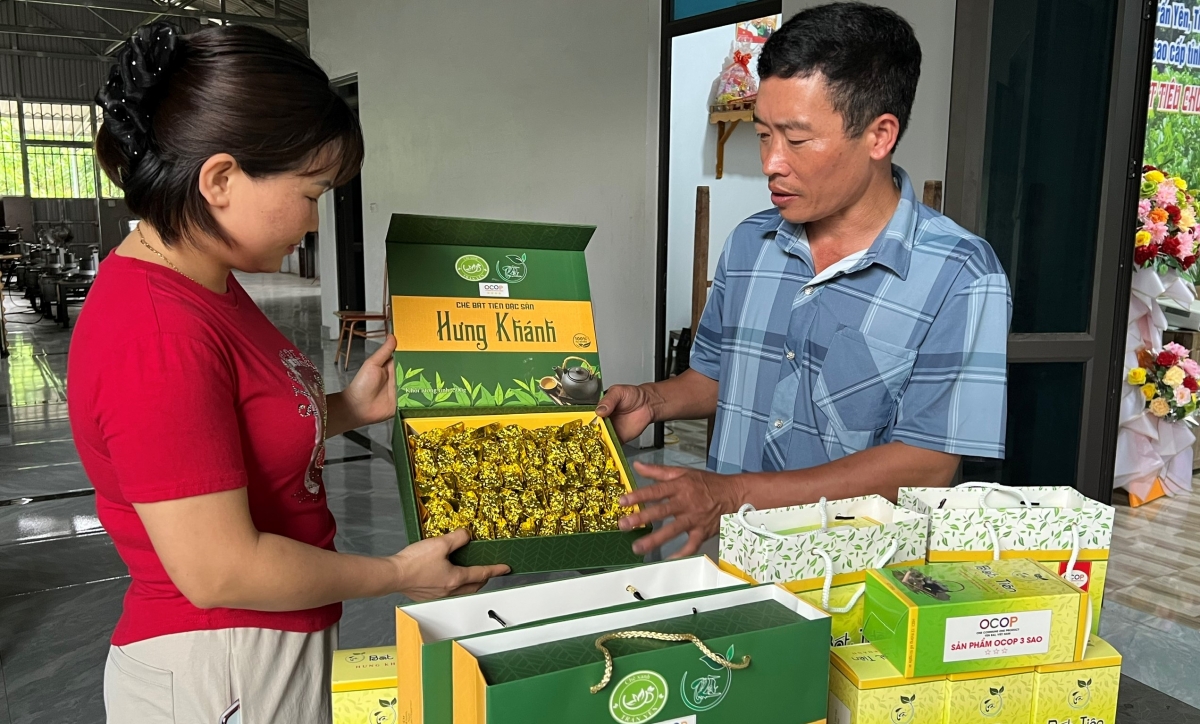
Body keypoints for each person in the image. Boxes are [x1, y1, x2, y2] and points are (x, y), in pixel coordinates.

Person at [69, 22, 507, 724]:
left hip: (264, 644)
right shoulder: (155, 333)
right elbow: (221, 570)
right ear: (220, 180)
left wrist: (350, 408)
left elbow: (231, 430)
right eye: (311, 193)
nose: (314, 222)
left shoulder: (207, 280)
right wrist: (397, 573)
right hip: (220, 665)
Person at [599, 2, 1011, 558]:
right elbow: (718, 376)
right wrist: (652, 401)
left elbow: (926, 463)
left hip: (854, 582)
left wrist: (732, 496)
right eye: (762, 135)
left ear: (879, 135)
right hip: (732, 563)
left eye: (795, 140)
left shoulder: (959, 274)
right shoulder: (750, 244)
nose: (771, 162)